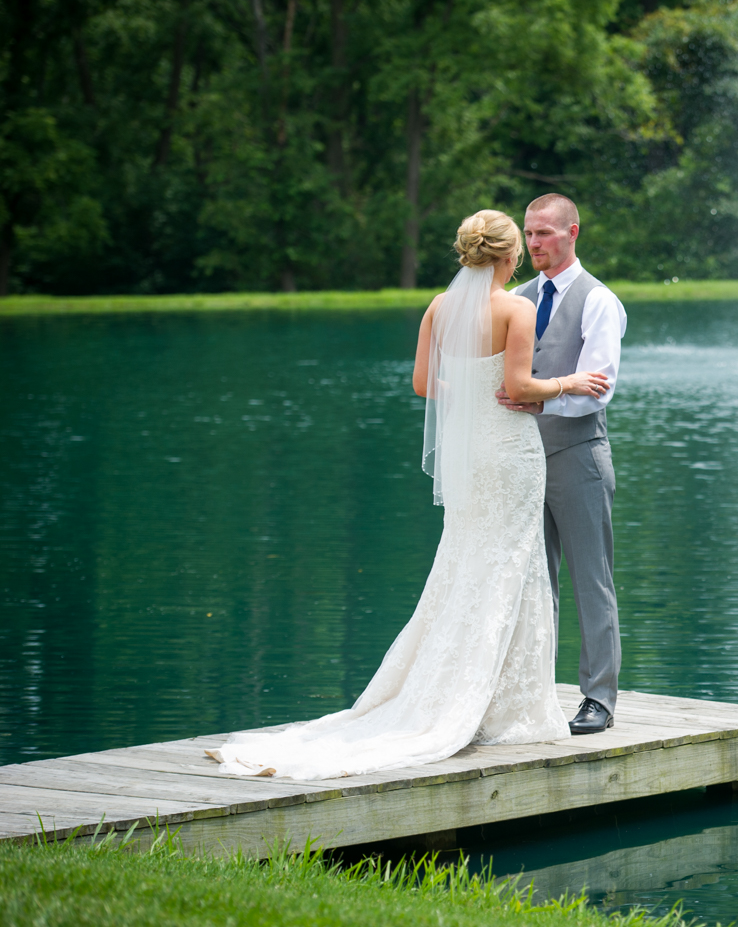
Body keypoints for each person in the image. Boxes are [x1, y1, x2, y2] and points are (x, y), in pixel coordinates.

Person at [207, 210, 609, 779]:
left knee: (467, 562)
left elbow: (424, 383)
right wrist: (568, 382)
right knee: (511, 566)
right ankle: (504, 704)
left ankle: (453, 690)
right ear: (505, 256)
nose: (521, 256)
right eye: (518, 247)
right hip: (510, 454)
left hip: (470, 456)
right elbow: (520, 387)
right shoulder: (516, 308)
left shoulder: (439, 308)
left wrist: (468, 392)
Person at [497, 194, 626, 735]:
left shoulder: (599, 301)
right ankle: (535, 698)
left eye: (544, 234)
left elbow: (598, 389)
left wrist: (540, 400)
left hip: (578, 458)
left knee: (590, 581)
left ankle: (598, 698)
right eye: (529, 234)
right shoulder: (516, 300)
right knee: (532, 583)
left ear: (573, 231)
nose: (534, 244)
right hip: (524, 461)